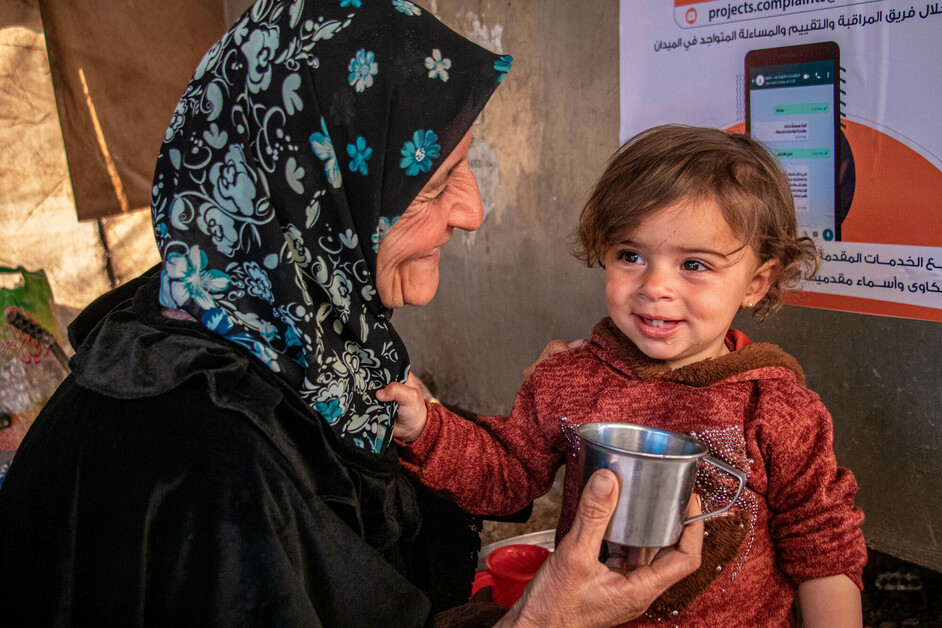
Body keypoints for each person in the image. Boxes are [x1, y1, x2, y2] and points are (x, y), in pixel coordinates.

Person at [0, 2, 702, 626]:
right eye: (432, 186)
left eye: (466, 168)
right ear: (313, 202)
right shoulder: (208, 461)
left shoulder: (270, 329)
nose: (472, 212)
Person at [382, 124, 868, 626]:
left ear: (757, 283)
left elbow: (823, 549)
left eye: (695, 264)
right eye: (631, 256)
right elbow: (507, 474)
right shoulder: (569, 378)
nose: (655, 285)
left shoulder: (776, 407)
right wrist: (428, 428)